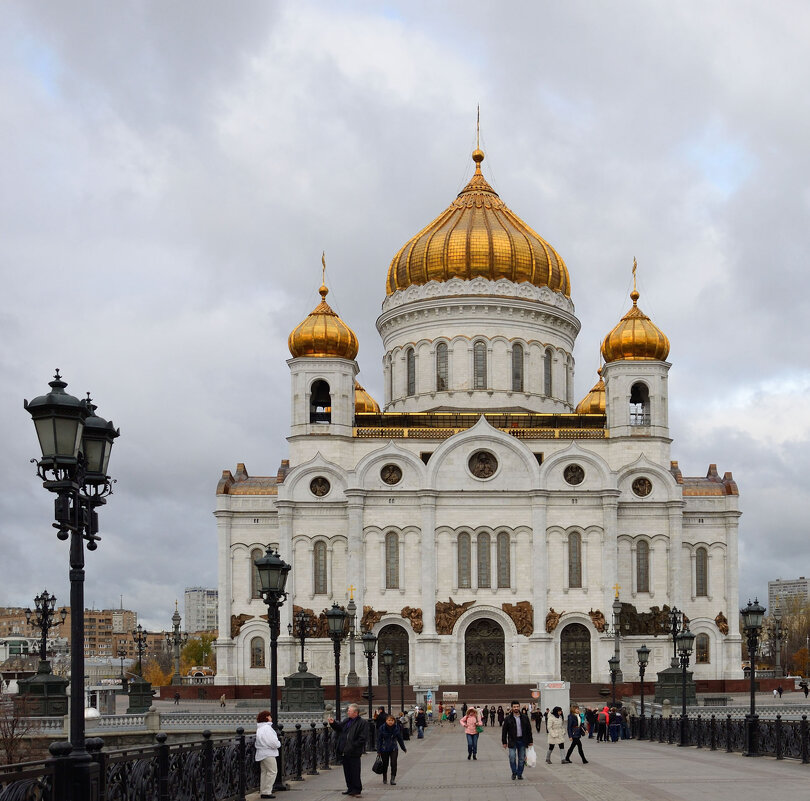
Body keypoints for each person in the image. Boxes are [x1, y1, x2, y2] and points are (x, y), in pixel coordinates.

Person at [328, 704, 367, 798]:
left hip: (354, 751)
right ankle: (350, 788)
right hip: (344, 750)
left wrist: (353, 745)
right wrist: (333, 723)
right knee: (347, 771)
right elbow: (339, 728)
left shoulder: (362, 722)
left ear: (355, 712)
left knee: (355, 771)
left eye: (349, 711)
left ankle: (357, 789)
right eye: (348, 710)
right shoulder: (347, 720)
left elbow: (363, 738)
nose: (347, 712)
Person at [501, 700, 533, 780]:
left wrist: (530, 741)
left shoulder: (525, 717)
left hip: (522, 740)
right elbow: (504, 731)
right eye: (514, 707)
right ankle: (514, 772)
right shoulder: (508, 718)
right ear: (512, 708)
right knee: (512, 757)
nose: (516, 708)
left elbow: (529, 730)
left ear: (519, 707)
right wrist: (504, 742)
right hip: (512, 740)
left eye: (517, 707)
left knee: (521, 758)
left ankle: (519, 774)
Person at [255, 710, 281, 799]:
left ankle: (263, 790)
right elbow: (272, 741)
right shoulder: (267, 728)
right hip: (268, 752)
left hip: (261, 752)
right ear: (267, 717)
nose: (271, 718)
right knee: (272, 771)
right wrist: (278, 744)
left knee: (264, 772)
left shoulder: (260, 728)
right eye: (270, 716)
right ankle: (267, 791)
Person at [377, 714, 406, 785]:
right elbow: (379, 740)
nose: (390, 722)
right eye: (389, 720)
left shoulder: (396, 728)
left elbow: (400, 738)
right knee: (385, 764)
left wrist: (403, 747)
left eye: (392, 720)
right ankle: (384, 777)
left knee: (394, 763)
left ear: (394, 721)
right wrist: (378, 750)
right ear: (386, 721)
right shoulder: (382, 728)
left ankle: (392, 779)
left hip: (393, 748)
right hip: (384, 748)